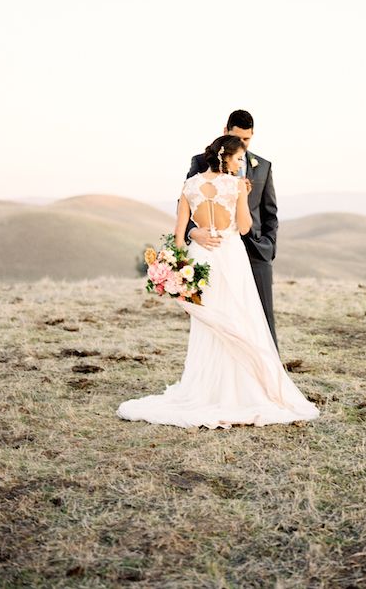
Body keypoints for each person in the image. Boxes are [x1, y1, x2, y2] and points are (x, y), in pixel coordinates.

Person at [116, 135, 319, 429]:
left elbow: (179, 234)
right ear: (226, 158)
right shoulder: (235, 185)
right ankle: (241, 389)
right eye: (238, 159)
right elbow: (246, 227)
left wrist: (178, 265)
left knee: (208, 325)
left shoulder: (189, 185)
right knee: (239, 316)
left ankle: (205, 389)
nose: (240, 164)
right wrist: (244, 197)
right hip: (230, 255)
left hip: (201, 258)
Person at [185, 110, 279, 349]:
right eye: (237, 139)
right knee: (221, 314)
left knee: (263, 318)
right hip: (218, 252)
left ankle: (270, 377)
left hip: (257, 252)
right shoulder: (200, 162)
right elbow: (185, 203)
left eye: (247, 140)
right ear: (225, 132)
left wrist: (268, 246)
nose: (242, 146)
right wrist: (192, 232)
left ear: (252, 135)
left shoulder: (264, 166)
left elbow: (270, 212)